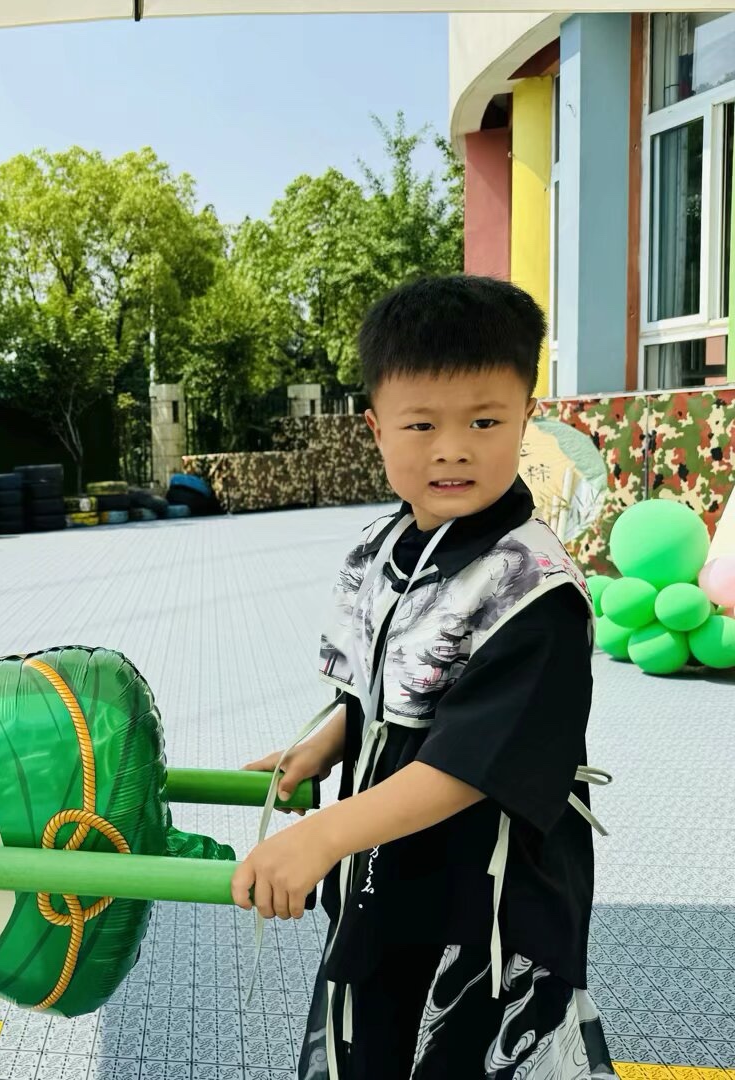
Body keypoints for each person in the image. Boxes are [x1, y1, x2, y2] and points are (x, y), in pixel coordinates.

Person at [232, 277, 616, 1079]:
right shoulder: (380, 549)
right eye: (421, 424)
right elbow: (381, 688)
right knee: (364, 1034)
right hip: (386, 865)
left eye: (484, 421)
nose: (452, 448)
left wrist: (323, 834)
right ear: (376, 428)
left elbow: (472, 765)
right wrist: (325, 744)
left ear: (526, 419)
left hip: (486, 899)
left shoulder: (534, 592)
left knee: (460, 1055)